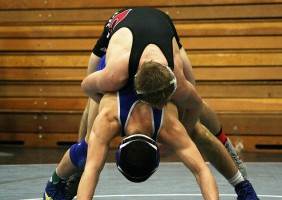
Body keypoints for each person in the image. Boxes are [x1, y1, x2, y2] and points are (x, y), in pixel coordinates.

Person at [80, 7, 247, 177]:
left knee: (192, 101)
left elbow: (194, 104)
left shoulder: (177, 78)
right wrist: (105, 103)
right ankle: (80, 161)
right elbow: (87, 86)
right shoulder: (114, 75)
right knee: (94, 106)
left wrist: (185, 132)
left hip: (162, 28)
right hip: (119, 27)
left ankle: (225, 144)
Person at [44, 91, 220, 200]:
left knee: (91, 150)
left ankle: (224, 141)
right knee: (88, 148)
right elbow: (200, 170)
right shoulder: (168, 127)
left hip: (141, 71)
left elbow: (94, 169)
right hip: (123, 70)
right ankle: (53, 185)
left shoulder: (168, 126)